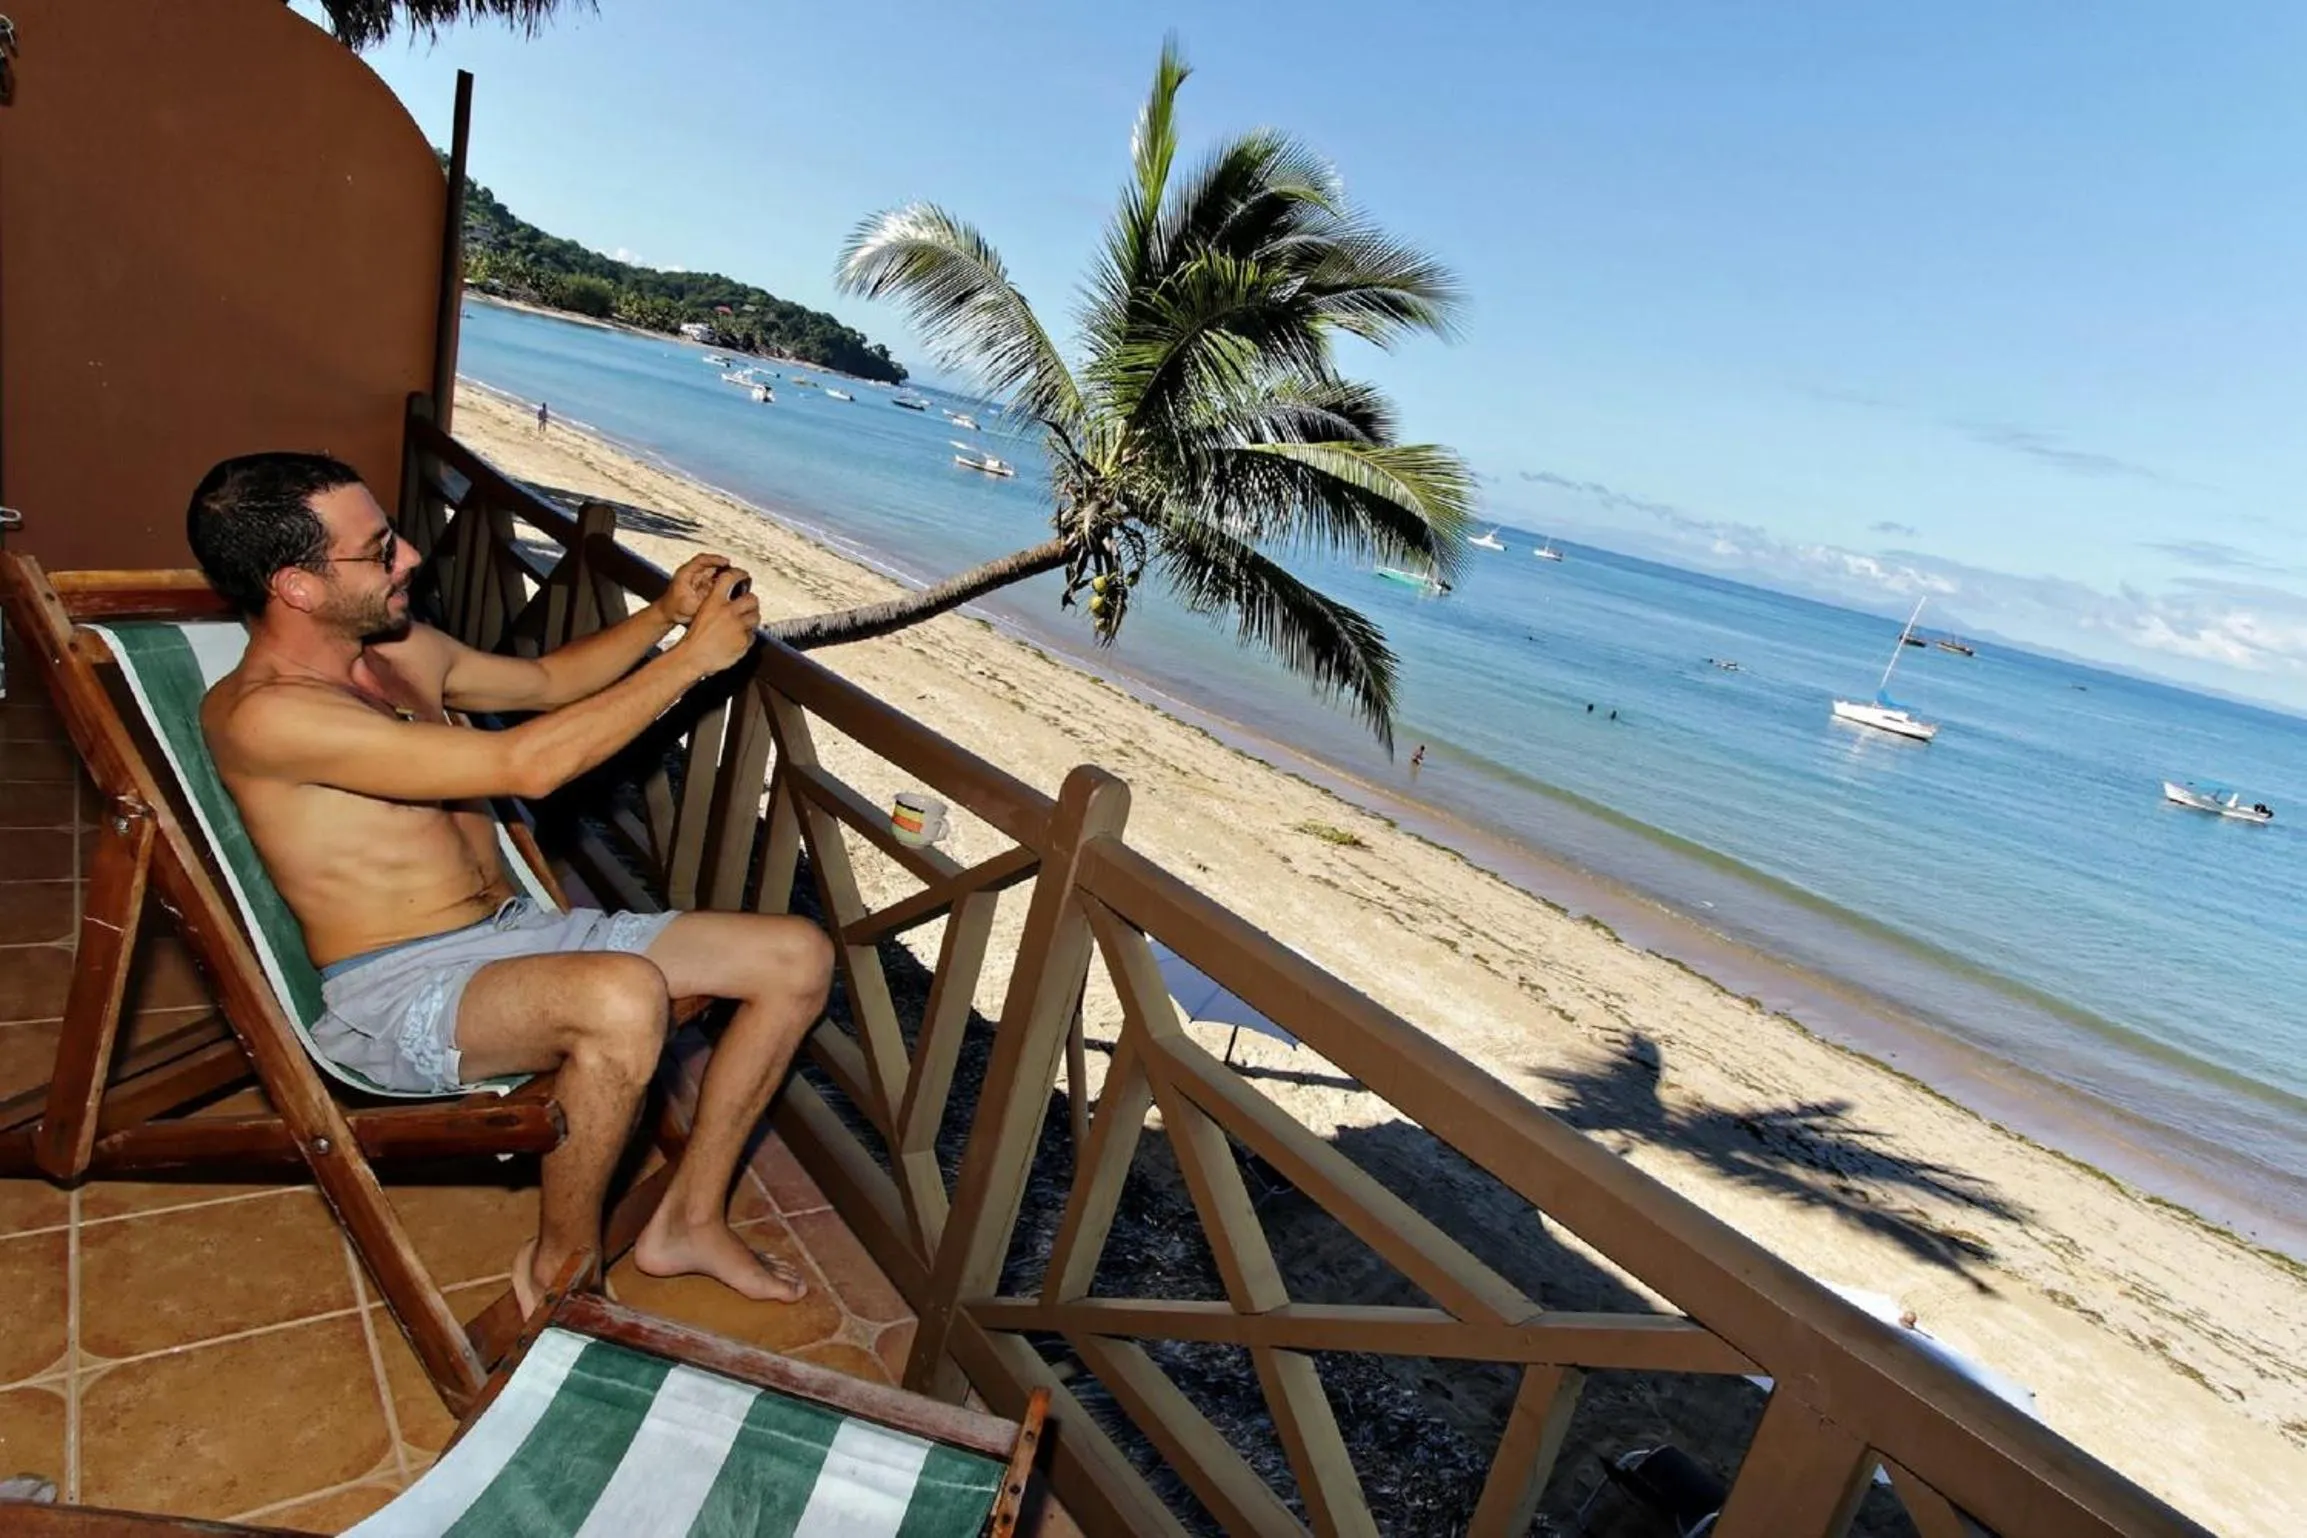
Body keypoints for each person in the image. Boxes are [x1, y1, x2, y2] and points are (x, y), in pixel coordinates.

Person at [186, 452, 834, 1316]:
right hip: (401, 986)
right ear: (297, 586)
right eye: (378, 551)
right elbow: (524, 764)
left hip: (517, 935)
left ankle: (688, 1220)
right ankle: (562, 1269)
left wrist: (666, 618)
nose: (410, 557)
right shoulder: (269, 712)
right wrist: (691, 664)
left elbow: (546, 683)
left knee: (794, 955)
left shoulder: (401, 648)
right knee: (620, 1000)